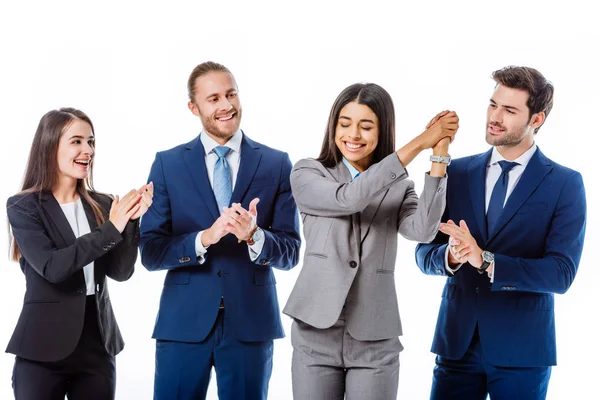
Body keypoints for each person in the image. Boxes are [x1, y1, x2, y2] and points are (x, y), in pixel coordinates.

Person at [415, 66, 587, 399]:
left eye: (509, 110)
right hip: (457, 346)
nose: (494, 116)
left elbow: (561, 274)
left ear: (536, 120)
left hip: (522, 351)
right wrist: (449, 256)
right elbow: (423, 253)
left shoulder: (565, 184)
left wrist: (487, 260)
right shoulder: (457, 172)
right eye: (493, 105)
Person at [283, 82, 459, 399]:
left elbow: (422, 231)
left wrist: (439, 152)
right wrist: (419, 143)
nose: (353, 135)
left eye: (366, 126)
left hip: (375, 335)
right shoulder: (309, 173)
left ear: (382, 130)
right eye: (345, 124)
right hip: (315, 332)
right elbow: (348, 199)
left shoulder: (399, 187)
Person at [139, 61, 301, 400]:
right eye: (213, 99)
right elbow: (151, 252)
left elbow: (291, 252)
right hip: (183, 322)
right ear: (193, 107)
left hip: (250, 323)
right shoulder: (168, 164)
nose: (226, 105)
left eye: (231, 94)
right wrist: (204, 239)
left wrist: (255, 236)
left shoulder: (276, 163)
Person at [6, 107, 153, 400]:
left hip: (97, 343)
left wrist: (131, 221)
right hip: (42, 346)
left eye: (91, 141)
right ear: (50, 146)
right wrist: (113, 227)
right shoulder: (23, 207)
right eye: (76, 141)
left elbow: (121, 272)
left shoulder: (102, 203)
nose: (88, 150)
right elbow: (53, 267)